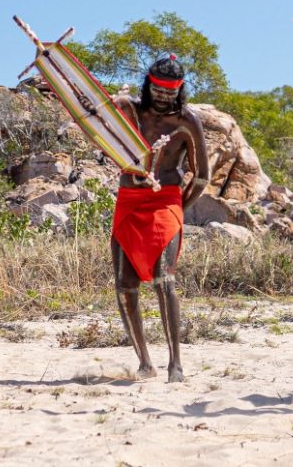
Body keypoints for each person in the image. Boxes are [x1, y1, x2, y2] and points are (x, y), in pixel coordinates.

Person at [111, 56, 210, 383]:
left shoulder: (187, 121)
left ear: (179, 90)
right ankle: (144, 363)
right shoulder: (130, 111)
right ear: (148, 85)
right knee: (125, 285)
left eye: (171, 92)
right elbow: (97, 121)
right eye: (158, 90)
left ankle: (175, 365)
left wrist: (179, 205)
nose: (164, 96)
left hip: (166, 201)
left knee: (164, 279)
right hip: (129, 199)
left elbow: (201, 176)